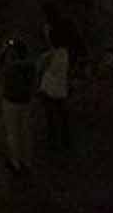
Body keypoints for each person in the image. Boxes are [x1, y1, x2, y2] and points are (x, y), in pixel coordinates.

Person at [0, 37, 35, 176]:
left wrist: (4, 50)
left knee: (13, 133)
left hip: (11, 102)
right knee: (26, 132)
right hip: (26, 101)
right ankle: (27, 161)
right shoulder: (30, 66)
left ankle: (15, 163)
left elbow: (1, 68)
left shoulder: (11, 67)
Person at [37, 20, 70, 150]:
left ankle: (52, 140)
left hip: (48, 90)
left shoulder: (47, 57)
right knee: (62, 115)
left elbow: (41, 69)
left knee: (50, 116)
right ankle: (65, 139)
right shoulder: (64, 53)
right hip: (61, 90)